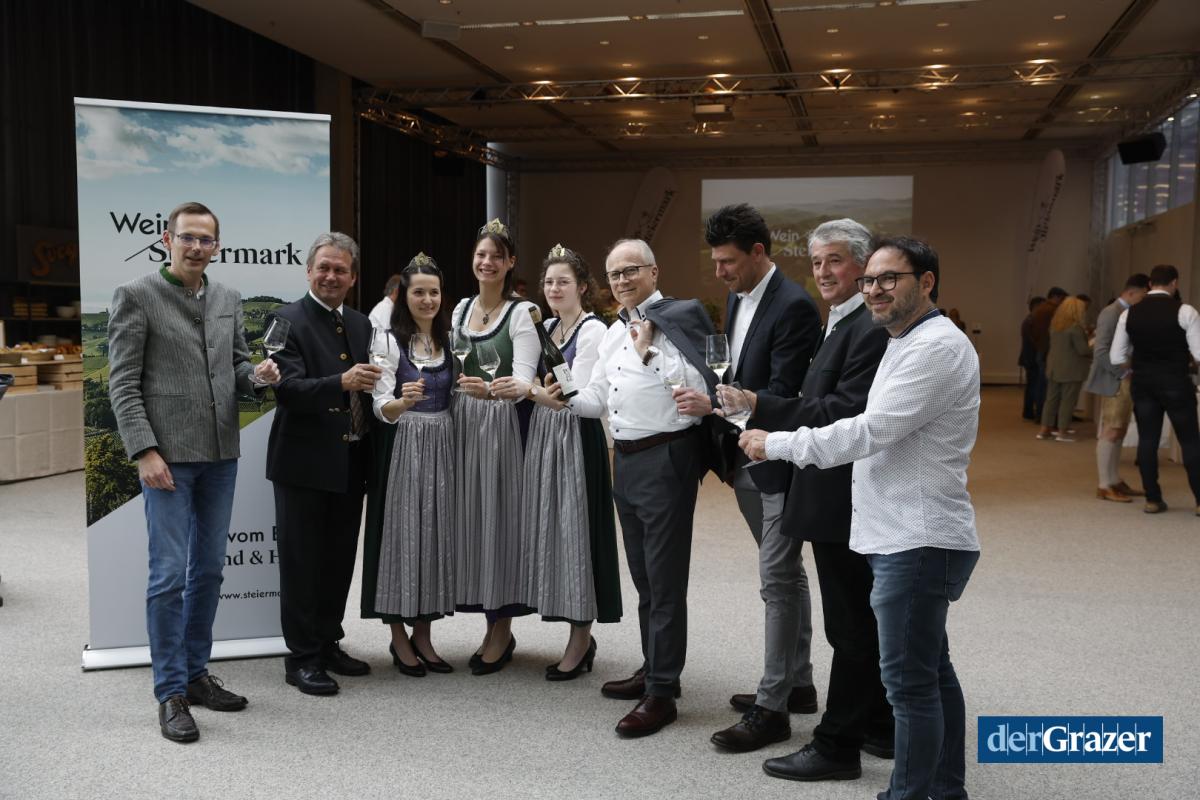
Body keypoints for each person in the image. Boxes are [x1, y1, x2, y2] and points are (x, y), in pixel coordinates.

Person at [741, 236, 981, 800]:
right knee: (931, 674)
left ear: (926, 282)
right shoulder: (905, 339)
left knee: (909, 685)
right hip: (901, 533)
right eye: (869, 280)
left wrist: (778, 443)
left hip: (916, 538)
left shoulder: (935, 347)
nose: (873, 289)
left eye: (888, 278)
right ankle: (944, 790)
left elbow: (870, 431)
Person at [108, 201, 277, 742]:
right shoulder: (136, 295)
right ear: (167, 240)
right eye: (188, 237)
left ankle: (197, 674)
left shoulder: (227, 297)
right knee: (167, 577)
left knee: (208, 571)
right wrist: (144, 451)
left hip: (221, 455)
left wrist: (258, 376)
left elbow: (237, 365)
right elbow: (122, 383)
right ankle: (170, 693)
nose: (197, 247)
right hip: (167, 459)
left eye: (206, 239)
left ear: (216, 246)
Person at [731, 218, 894, 781]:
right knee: (855, 621)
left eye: (835, 261)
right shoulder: (842, 320)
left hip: (844, 494)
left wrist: (763, 407)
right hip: (830, 487)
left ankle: (838, 745)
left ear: (864, 266)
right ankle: (879, 724)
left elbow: (841, 411)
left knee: (850, 626)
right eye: (817, 261)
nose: (822, 271)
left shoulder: (867, 327)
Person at [676, 203, 822, 753]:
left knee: (776, 580)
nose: (719, 273)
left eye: (728, 262)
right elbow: (734, 373)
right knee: (787, 573)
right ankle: (799, 682)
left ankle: (773, 706)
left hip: (776, 460)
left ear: (759, 252)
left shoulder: (795, 306)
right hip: (742, 457)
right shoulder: (739, 296)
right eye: (715, 261)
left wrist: (715, 404)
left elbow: (784, 396)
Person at [562, 238, 718, 738]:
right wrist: (558, 395)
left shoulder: (679, 318)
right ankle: (655, 668)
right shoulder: (613, 332)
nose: (623, 280)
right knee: (645, 577)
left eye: (632, 270)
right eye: (614, 274)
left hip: (666, 456)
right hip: (625, 460)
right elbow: (597, 399)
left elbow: (697, 388)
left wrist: (647, 350)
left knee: (665, 580)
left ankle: (663, 692)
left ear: (654, 271)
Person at [265, 231, 379, 696]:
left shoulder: (361, 324)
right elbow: (286, 391)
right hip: (303, 464)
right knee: (301, 563)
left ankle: (328, 642)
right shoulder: (285, 319)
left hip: (351, 459)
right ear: (308, 270)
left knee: (337, 560)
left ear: (353, 277)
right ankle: (302, 658)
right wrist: (341, 382)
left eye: (341, 269)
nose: (331, 276)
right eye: (324, 267)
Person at [521, 244, 623, 680]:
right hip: (546, 433)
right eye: (548, 282)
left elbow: (576, 393)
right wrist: (538, 391)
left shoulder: (594, 330)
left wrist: (534, 391)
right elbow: (538, 382)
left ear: (583, 287)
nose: (554, 288)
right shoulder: (547, 327)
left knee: (578, 533)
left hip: (577, 436)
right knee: (554, 533)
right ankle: (574, 628)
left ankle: (581, 637)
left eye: (563, 281)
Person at [451, 219, 540, 675]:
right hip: (465, 424)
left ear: (510, 264)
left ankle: (502, 627)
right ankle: (490, 622)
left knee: (501, 523)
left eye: (496, 257)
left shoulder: (522, 313)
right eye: (481, 255)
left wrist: (489, 389)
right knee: (475, 521)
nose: (487, 262)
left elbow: (523, 381)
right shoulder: (460, 308)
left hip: (505, 424)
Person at [361, 254, 456, 676]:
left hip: (442, 445)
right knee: (401, 538)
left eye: (434, 292)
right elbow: (380, 406)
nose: (428, 299)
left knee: (433, 537)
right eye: (419, 292)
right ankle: (398, 635)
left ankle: (424, 634)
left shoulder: (449, 340)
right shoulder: (387, 341)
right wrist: (402, 401)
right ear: (404, 296)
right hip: (403, 445)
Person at [1110, 264, 1200, 514]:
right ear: (1175, 283)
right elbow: (1199, 354)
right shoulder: (1185, 311)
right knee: (1190, 440)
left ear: (1150, 284)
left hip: (1143, 384)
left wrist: (1137, 366)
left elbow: (1116, 357)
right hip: (1176, 383)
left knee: (1148, 440)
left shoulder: (1129, 314)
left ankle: (1153, 498)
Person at [1085, 274, 1149, 502]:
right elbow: (1100, 351)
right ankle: (1104, 485)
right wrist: (1122, 373)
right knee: (1111, 430)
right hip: (1116, 380)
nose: (1144, 300)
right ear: (1132, 292)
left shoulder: (1125, 312)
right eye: (1143, 295)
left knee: (1119, 430)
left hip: (1123, 379)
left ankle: (1113, 479)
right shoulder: (1111, 312)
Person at [1036, 297, 1092, 442]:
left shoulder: (1055, 325)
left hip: (1054, 367)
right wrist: (1094, 346)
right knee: (1068, 401)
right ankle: (1062, 431)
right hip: (1071, 370)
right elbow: (1083, 350)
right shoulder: (1075, 328)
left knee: (1051, 400)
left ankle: (1044, 430)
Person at [1029, 287, 1069, 421]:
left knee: (1041, 384)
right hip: (1049, 351)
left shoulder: (1040, 309)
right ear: (1056, 297)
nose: (1063, 303)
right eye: (1062, 299)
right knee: (1049, 387)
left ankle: (1040, 413)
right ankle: (1045, 416)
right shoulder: (1052, 310)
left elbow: (1033, 332)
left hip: (1041, 349)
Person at [1019, 296, 1045, 420]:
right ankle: (1029, 411)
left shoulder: (1029, 320)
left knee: (1031, 385)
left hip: (1029, 357)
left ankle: (1028, 411)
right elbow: (1034, 341)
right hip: (1031, 358)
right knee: (1033, 386)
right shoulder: (1031, 321)